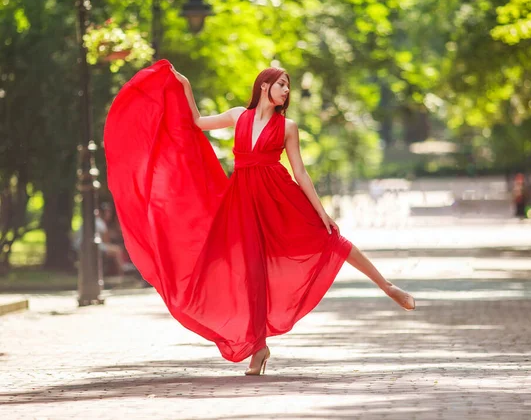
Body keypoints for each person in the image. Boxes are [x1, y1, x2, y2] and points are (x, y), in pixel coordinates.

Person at [104, 60, 414, 376]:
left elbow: (301, 172)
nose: (287, 90)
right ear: (264, 85)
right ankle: (259, 346)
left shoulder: (288, 127)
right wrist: (184, 84)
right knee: (250, 272)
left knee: (331, 239)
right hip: (241, 201)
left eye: (289, 86)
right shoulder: (239, 115)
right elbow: (196, 122)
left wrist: (322, 212)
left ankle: (388, 286)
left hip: (278, 196)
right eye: (282, 84)